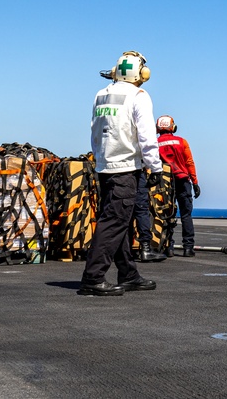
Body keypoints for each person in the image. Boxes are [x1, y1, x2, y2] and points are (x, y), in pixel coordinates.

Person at [79, 51, 163, 296]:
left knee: (121, 223)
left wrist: (101, 159)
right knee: (114, 223)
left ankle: (128, 274)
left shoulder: (101, 94)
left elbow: (95, 130)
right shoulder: (139, 95)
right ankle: (93, 277)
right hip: (126, 168)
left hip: (105, 166)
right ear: (141, 74)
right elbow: (146, 136)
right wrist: (155, 167)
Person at [156, 115, 200, 257]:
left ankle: (168, 246)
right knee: (186, 215)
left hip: (164, 183)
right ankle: (188, 248)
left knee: (167, 215)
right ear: (172, 127)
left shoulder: (155, 143)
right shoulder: (182, 142)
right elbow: (189, 163)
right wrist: (195, 183)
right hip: (183, 181)